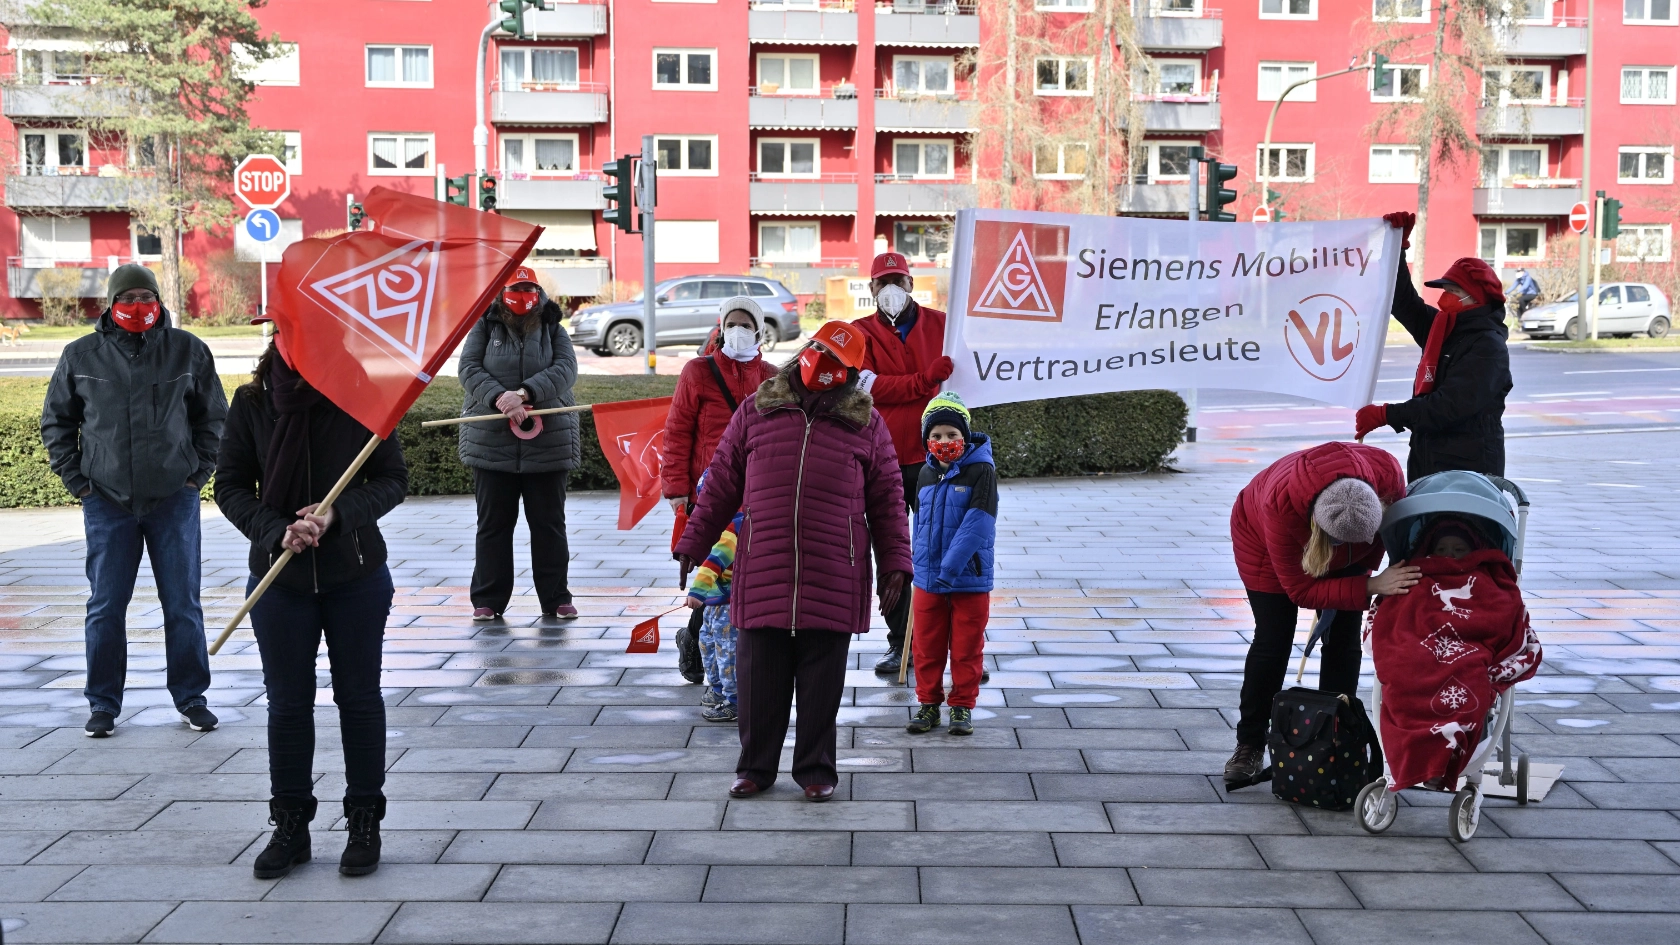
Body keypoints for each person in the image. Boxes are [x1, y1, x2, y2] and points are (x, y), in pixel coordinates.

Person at [675, 320, 913, 802]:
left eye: (837, 361)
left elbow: (888, 497)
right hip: (763, 561)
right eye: (819, 350)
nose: (823, 363)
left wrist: (896, 563)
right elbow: (721, 482)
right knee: (759, 677)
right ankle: (755, 767)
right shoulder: (757, 409)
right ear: (805, 350)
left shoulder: (866, 423)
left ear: (852, 373)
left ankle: (815, 769)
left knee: (821, 681)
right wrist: (692, 543)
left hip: (834, 567)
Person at [215, 337, 409, 879]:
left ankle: (364, 819)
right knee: (289, 704)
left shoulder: (363, 397)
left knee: (360, 698)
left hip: (357, 574)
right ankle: (290, 825)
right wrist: (276, 530)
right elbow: (229, 485)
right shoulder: (253, 402)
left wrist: (335, 516)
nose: (300, 343)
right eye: (291, 332)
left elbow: (392, 479)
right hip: (279, 581)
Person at [41, 263, 226, 739]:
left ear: (159, 300)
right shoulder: (80, 355)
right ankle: (103, 703)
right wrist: (79, 485)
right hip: (106, 501)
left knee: (182, 604)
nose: (137, 306)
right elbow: (57, 423)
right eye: (128, 298)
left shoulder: (188, 350)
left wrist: (195, 477)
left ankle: (191, 698)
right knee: (105, 606)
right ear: (110, 303)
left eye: (146, 297)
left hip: (173, 500)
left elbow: (215, 421)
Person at [1224, 442, 1415, 790]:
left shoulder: (1387, 473)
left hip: (1341, 528)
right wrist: (1370, 586)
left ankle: (1334, 738)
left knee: (1343, 634)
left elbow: (1381, 544)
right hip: (1262, 541)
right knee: (1273, 638)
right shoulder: (1278, 506)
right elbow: (1299, 592)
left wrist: (1367, 580)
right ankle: (1249, 744)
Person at [662, 297, 778, 683]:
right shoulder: (698, 371)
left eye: (747, 323)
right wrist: (677, 489)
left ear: (759, 330)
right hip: (709, 493)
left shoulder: (774, 377)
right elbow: (677, 431)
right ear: (721, 327)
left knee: (745, 575)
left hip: (760, 493)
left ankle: (734, 653)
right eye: (733, 323)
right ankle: (696, 640)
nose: (739, 330)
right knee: (715, 571)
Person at [457, 266, 580, 620]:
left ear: (539, 293)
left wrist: (526, 393)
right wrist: (500, 398)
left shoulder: (553, 327)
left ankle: (556, 597)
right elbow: (469, 369)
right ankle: (488, 600)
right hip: (491, 443)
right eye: (516, 289)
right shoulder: (484, 324)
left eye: (530, 289)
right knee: (493, 524)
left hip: (548, 443)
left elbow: (566, 369)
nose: (524, 296)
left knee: (548, 524)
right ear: (502, 292)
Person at [852, 251, 954, 676]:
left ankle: (950, 646)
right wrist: (925, 381)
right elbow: (868, 387)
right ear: (871, 289)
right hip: (885, 460)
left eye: (899, 280)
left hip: (939, 456)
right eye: (883, 282)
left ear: (913, 283)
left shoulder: (945, 326)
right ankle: (901, 643)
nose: (892, 289)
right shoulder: (856, 334)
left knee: (945, 552)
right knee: (893, 556)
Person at [1356, 213, 1513, 481]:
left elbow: (1447, 407)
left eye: (1451, 290)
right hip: (1427, 460)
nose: (1444, 297)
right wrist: (1398, 248)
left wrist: (1387, 414)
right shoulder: (1443, 328)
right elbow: (1404, 301)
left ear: (1473, 298)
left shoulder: (1489, 347)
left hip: (1468, 470)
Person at [905, 392, 996, 737]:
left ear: (965, 436)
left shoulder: (981, 471)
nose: (944, 442)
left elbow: (978, 523)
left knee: (966, 648)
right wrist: (919, 565)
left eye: (952, 434)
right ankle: (928, 704)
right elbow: (920, 524)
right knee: (925, 647)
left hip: (967, 580)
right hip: (928, 581)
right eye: (937, 435)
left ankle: (961, 707)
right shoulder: (926, 475)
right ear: (927, 439)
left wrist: (949, 570)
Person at [684, 472, 742, 723]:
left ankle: (735, 700)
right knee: (707, 641)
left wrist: (697, 590)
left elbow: (717, 558)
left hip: (727, 602)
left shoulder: (735, 523)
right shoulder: (716, 522)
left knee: (727, 649)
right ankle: (718, 689)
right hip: (714, 601)